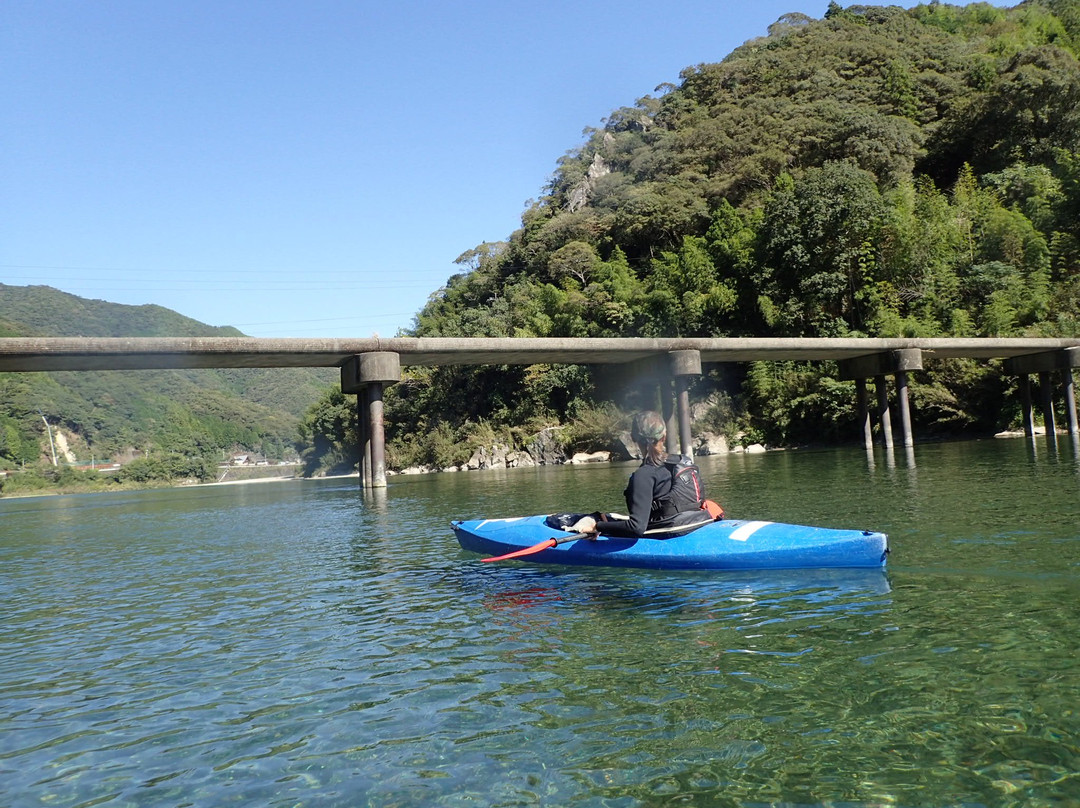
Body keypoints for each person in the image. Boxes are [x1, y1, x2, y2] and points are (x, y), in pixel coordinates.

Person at [570, 410, 722, 538]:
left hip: (671, 531)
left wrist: (599, 526)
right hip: (697, 522)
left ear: (633, 438)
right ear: (664, 436)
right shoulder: (683, 461)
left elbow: (636, 527)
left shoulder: (643, 475)